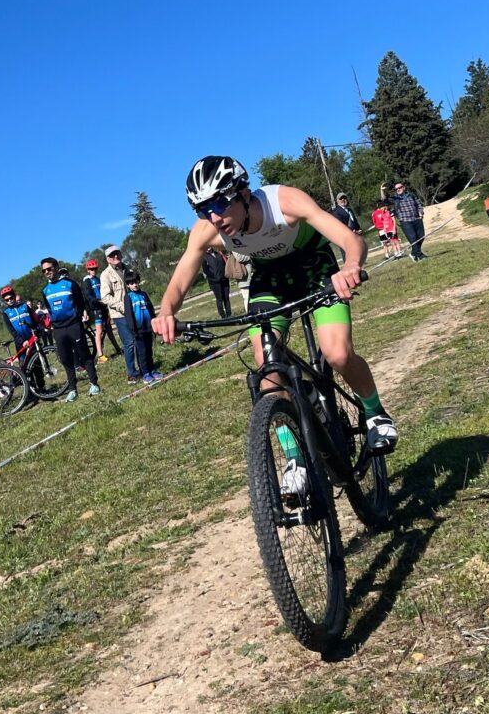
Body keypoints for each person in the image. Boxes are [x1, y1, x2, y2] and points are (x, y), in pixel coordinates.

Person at [153, 156, 398, 494]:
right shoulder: (209, 229)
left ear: (242, 192)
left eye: (219, 203)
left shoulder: (285, 202)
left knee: (337, 353)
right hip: (270, 279)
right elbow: (181, 278)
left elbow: (351, 240)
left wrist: (350, 266)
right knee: (268, 369)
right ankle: (295, 460)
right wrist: (166, 310)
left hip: (316, 267)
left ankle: (375, 414)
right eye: (201, 209)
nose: (212, 216)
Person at [40, 257, 100, 402]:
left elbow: (80, 302)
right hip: (59, 329)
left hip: (74, 325)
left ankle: (94, 384)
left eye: (49, 268)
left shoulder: (70, 284)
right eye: (44, 270)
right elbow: (49, 309)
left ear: (56, 267)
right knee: (66, 359)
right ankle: (73, 389)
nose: (47, 272)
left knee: (84, 354)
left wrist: (80, 316)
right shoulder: (45, 290)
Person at [100, 245, 141, 384]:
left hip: (134, 309)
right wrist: (121, 306)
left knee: (139, 338)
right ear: (107, 259)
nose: (116, 257)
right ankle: (131, 373)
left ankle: (143, 367)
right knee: (129, 342)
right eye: (112, 255)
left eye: (117, 253)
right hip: (120, 314)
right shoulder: (105, 275)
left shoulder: (127, 268)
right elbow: (105, 297)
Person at [0, 286, 45, 391]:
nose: (10, 301)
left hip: (31, 339)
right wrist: (22, 341)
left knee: (37, 364)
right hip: (20, 343)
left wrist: (37, 331)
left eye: (11, 298)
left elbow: (34, 320)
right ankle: (31, 391)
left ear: (15, 297)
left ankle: (42, 388)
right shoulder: (6, 313)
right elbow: (12, 331)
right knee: (25, 367)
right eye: (7, 300)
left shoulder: (24, 306)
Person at [124, 270, 163, 385]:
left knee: (149, 350)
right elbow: (129, 314)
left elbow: (151, 309)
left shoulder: (144, 294)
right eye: (131, 283)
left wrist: (154, 323)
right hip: (138, 330)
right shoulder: (128, 297)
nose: (134, 285)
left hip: (148, 327)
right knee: (142, 352)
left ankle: (152, 370)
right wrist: (133, 329)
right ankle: (145, 373)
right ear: (128, 285)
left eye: (136, 282)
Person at [83, 259, 122, 362]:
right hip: (96, 308)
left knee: (109, 330)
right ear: (88, 270)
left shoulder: (98, 279)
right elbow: (88, 296)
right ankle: (100, 356)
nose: (93, 270)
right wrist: (97, 301)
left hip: (104, 307)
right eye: (91, 269)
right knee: (99, 332)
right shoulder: (87, 281)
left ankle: (118, 349)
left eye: (95, 268)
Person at [381, 180, 427, 261]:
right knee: (413, 238)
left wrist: (421, 213)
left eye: (400, 187)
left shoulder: (411, 195)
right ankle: (419, 254)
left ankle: (414, 253)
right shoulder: (395, 199)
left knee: (421, 236)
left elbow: (419, 205)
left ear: (404, 188)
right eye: (396, 189)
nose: (398, 189)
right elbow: (385, 199)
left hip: (417, 219)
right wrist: (382, 191)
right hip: (405, 221)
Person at [331, 192, 362, 262]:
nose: (343, 200)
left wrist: (358, 229)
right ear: (337, 201)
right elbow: (340, 226)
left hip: (354, 237)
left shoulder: (350, 210)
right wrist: (353, 231)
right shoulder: (336, 212)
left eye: (344, 198)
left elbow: (354, 221)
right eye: (341, 198)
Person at [202, 246, 231, 317]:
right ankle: (223, 316)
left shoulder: (218, 253)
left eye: (209, 246)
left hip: (224, 279)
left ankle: (229, 314)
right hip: (215, 282)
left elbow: (224, 264)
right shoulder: (204, 257)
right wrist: (214, 277)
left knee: (226, 298)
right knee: (219, 299)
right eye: (207, 246)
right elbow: (206, 270)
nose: (208, 247)